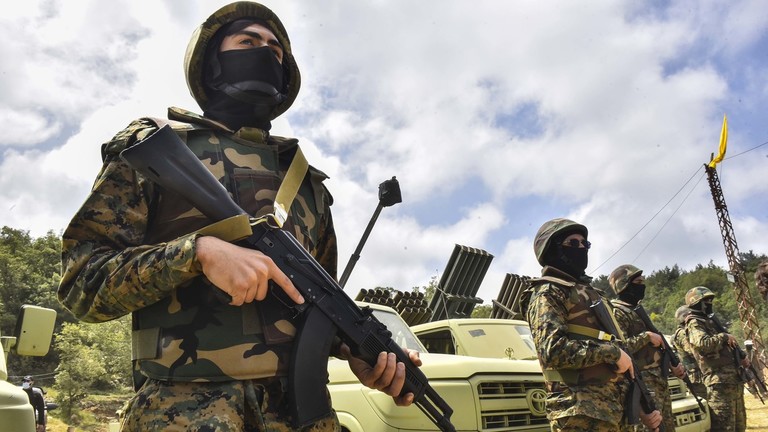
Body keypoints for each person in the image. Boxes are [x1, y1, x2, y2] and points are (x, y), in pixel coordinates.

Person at [57, 2, 420, 430]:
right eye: (248, 41)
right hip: (182, 415)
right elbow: (82, 284)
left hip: (305, 417)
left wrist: (359, 352)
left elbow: (315, 302)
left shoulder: (308, 187)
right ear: (213, 62)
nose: (265, 52)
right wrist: (198, 253)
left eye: (276, 51)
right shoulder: (156, 153)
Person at [524, 218, 661, 431]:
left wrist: (641, 407)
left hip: (614, 411)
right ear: (552, 249)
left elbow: (623, 360)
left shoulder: (592, 295)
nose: (581, 248)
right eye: (573, 243)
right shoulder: (549, 292)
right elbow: (552, 350)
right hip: (579, 412)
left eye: (584, 244)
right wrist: (611, 353)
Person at [608, 265, 685, 431]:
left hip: (659, 381)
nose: (642, 285)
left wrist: (671, 363)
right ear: (624, 285)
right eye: (638, 282)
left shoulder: (636, 310)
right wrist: (647, 337)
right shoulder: (617, 312)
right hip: (643, 382)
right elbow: (619, 348)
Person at [684, 286, 748, 432]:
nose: (710, 303)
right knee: (723, 427)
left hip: (733, 380)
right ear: (696, 302)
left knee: (739, 426)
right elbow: (702, 344)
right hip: (718, 382)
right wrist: (724, 337)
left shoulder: (711, 321)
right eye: (706, 300)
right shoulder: (694, 322)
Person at [671, 306, 707, 398]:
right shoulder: (682, 333)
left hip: (700, 376)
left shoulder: (687, 331)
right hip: (697, 378)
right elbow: (693, 350)